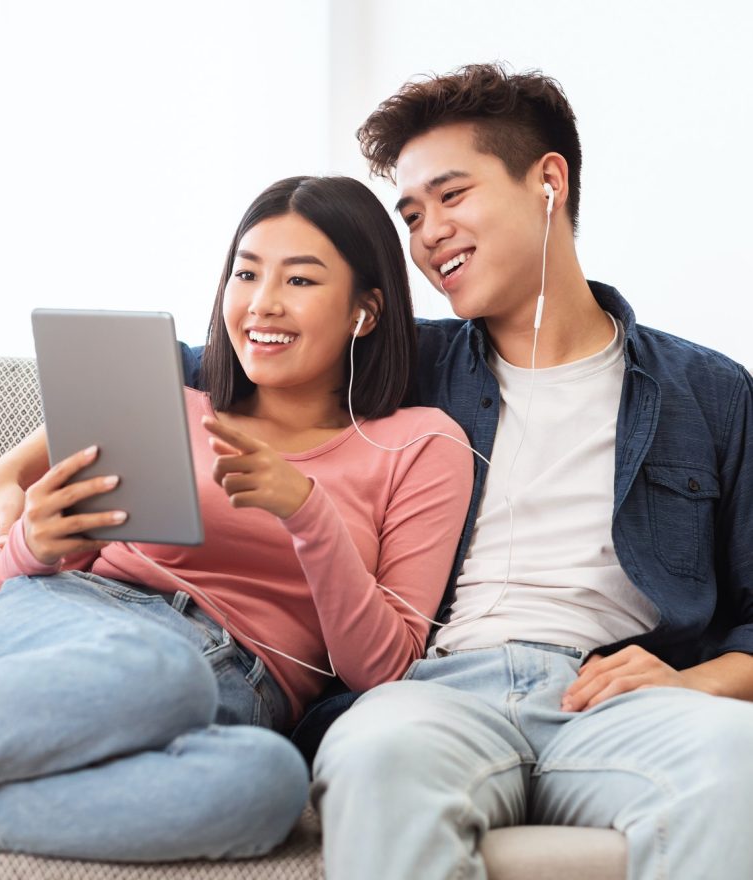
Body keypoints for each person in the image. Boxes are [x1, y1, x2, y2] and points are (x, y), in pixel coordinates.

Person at [0, 175, 472, 861]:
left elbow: (385, 668)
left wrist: (308, 513)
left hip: (236, 692)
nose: (262, 304)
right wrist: (33, 544)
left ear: (364, 311)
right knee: (161, 667)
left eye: (300, 281)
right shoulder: (168, 398)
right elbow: (5, 578)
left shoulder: (422, 444)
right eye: (246, 274)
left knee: (270, 782)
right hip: (72, 626)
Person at [306, 65, 753, 879]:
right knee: (373, 753)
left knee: (735, 757)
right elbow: (213, 371)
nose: (427, 232)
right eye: (411, 213)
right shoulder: (400, 365)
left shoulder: (711, 392)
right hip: (438, 695)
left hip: (616, 702)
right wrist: (12, 471)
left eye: (451, 195)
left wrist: (699, 681)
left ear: (549, 181)